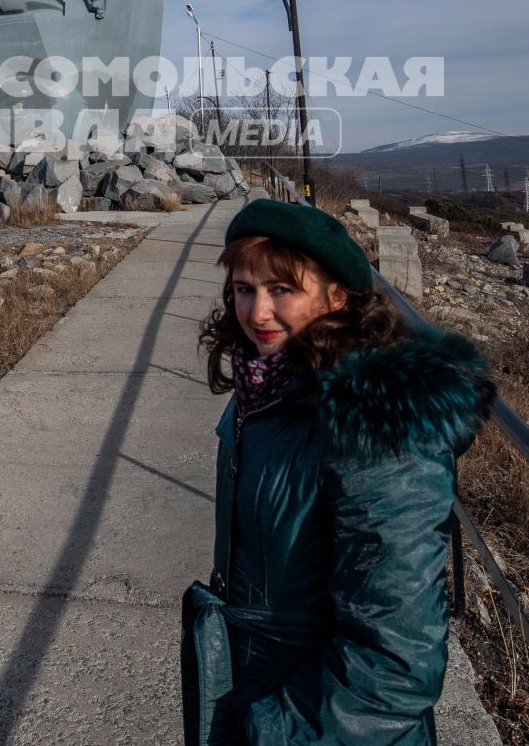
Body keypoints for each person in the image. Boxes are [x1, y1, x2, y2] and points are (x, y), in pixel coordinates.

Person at [182, 199, 495, 745]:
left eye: (282, 290)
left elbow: (397, 662)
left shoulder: (374, 430)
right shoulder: (269, 385)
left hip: (322, 725)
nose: (256, 312)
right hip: (267, 689)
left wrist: (275, 731)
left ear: (337, 296)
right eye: (242, 289)